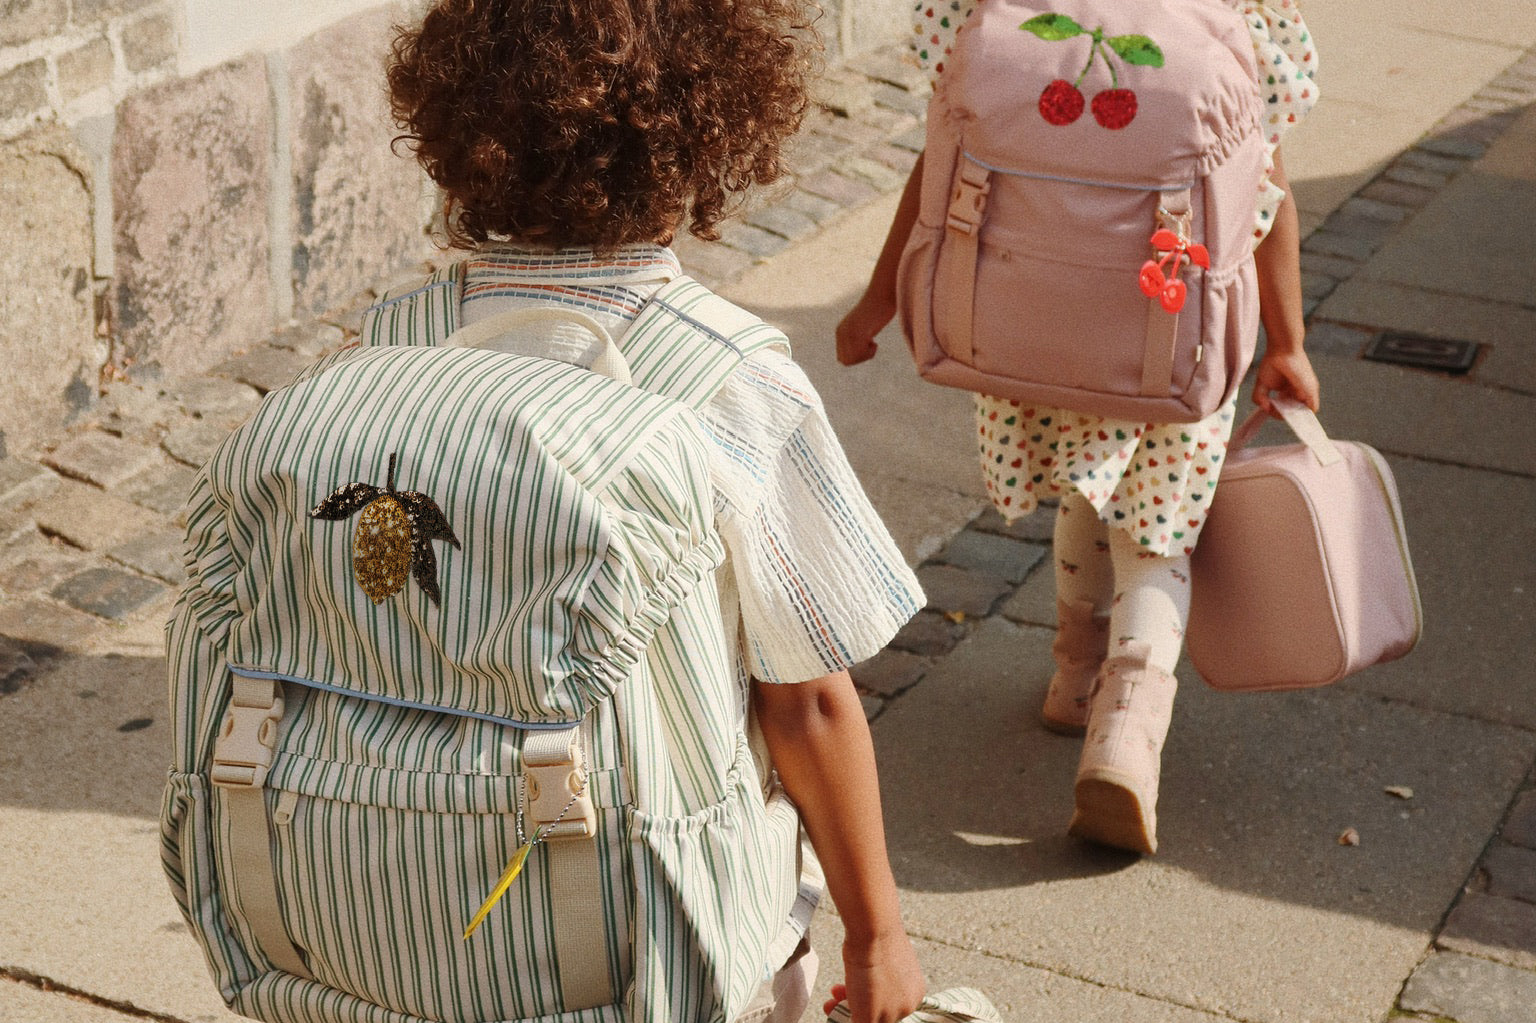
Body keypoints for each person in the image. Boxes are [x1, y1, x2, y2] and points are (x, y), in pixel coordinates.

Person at [386, 2, 926, 1020]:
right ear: (705, 141)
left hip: (412, 881)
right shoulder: (723, 378)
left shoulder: (393, 344)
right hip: (649, 922)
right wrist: (880, 931)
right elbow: (807, 699)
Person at [835, 0, 1322, 855]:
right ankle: (1128, 727)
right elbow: (1268, 189)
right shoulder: (1242, 17)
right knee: (1159, 525)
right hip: (1169, 325)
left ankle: (1073, 675)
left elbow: (941, 165)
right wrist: (1289, 342)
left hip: (1026, 317)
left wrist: (881, 298)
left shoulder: (987, 9)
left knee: (1082, 485)